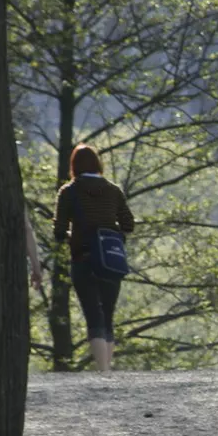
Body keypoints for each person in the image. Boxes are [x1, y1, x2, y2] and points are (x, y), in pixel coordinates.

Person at [51, 143, 135, 372]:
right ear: (98, 164)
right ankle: (108, 366)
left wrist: (72, 235)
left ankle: (103, 371)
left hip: (83, 259)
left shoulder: (68, 192)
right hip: (110, 259)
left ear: (74, 165)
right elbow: (128, 224)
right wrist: (109, 232)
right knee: (107, 314)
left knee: (92, 313)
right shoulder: (113, 190)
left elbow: (58, 231)